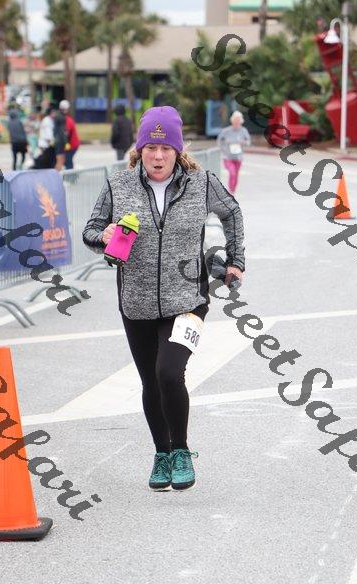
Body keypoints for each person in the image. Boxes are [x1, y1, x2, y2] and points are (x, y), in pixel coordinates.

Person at [83, 106, 245, 492]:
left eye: (166, 149)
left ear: (178, 150)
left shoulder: (201, 182)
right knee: (150, 382)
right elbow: (91, 230)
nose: (158, 157)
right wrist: (104, 237)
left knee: (169, 373)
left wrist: (235, 260)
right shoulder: (118, 185)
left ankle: (181, 450)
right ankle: (161, 453)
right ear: (140, 150)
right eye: (151, 148)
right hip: (136, 301)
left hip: (188, 298)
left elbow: (232, 213)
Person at [217, 110, 251, 194]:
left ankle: (233, 190)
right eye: (235, 120)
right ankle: (230, 191)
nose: (236, 122)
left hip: (238, 157)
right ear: (232, 121)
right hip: (228, 157)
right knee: (232, 173)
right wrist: (223, 149)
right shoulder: (226, 131)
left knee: (236, 175)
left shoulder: (243, 131)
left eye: (238, 121)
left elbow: (248, 142)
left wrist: (244, 142)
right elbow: (219, 140)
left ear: (241, 121)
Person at [59, 99, 80, 169]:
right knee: (67, 161)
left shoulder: (67, 120)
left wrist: (65, 144)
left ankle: (71, 174)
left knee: (68, 161)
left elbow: (66, 134)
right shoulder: (67, 119)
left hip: (72, 145)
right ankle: (71, 173)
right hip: (70, 144)